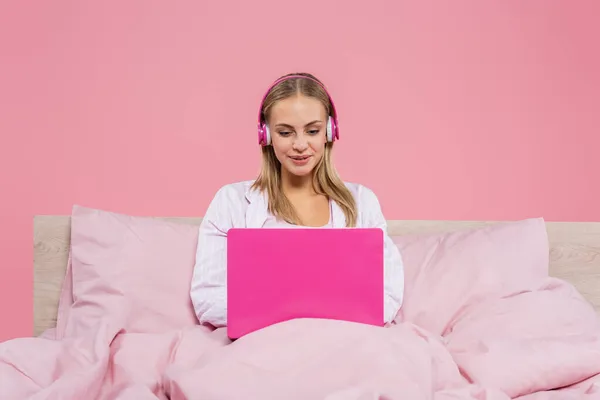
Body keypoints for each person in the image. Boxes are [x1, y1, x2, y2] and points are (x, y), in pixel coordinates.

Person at [190, 72, 404, 328]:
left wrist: (292, 312)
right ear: (265, 136)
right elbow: (208, 298)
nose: (300, 145)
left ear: (329, 131)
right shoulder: (231, 201)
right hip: (262, 342)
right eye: (285, 132)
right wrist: (298, 317)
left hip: (344, 341)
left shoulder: (362, 203)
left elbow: (386, 297)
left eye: (312, 131)